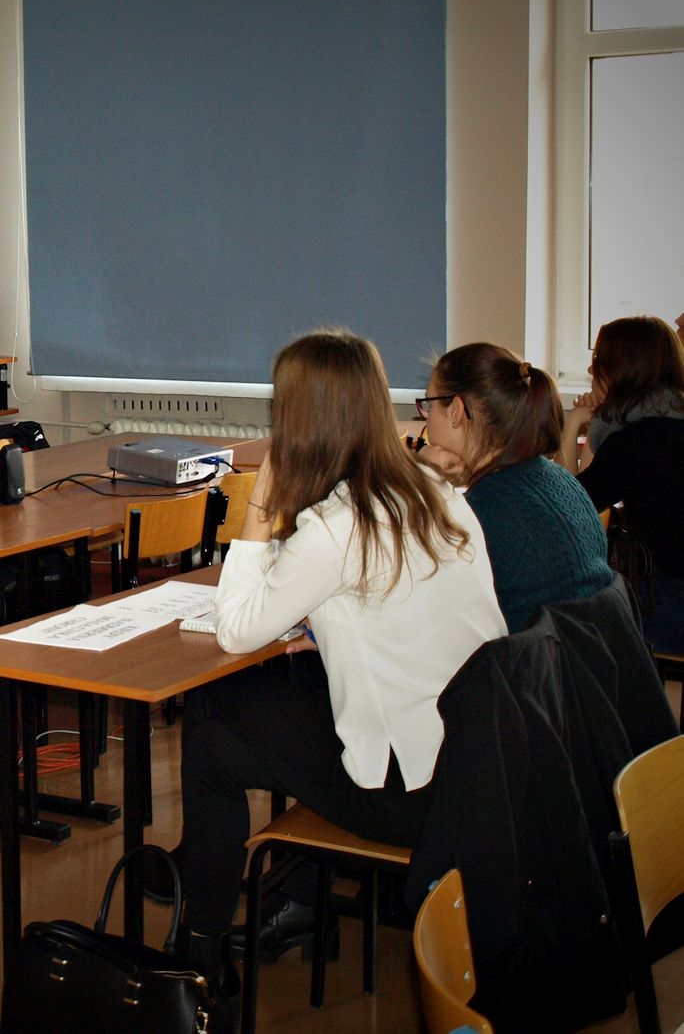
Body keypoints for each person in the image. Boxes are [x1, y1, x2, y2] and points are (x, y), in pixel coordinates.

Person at [166, 330, 507, 984]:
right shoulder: (434, 489)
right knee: (255, 695)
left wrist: (261, 499)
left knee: (211, 734)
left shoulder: (336, 527)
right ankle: (278, 904)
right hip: (477, 764)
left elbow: (235, 629)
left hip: (410, 796)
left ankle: (199, 952)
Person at [416, 343, 610, 631]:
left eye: (429, 405)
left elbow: (422, 606)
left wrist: (423, 480)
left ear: (455, 411)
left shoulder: (478, 514)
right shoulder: (561, 481)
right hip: (595, 655)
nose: (427, 416)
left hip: (531, 659)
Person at [560, 315, 684, 651]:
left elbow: (570, 509)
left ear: (622, 370)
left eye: (598, 360)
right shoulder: (668, 421)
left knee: (574, 624)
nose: (590, 370)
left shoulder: (636, 442)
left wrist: (574, 425)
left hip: (673, 600)